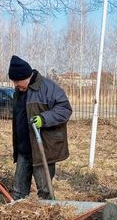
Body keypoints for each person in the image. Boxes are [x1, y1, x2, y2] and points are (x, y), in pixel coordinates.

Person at [8, 55, 72, 200]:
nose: (16, 86)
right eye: (14, 82)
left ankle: (48, 219)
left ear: (26, 76)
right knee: (18, 191)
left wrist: (43, 119)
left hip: (43, 149)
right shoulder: (19, 92)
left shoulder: (48, 88)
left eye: (17, 82)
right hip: (24, 150)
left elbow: (65, 109)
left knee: (44, 191)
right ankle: (17, 218)